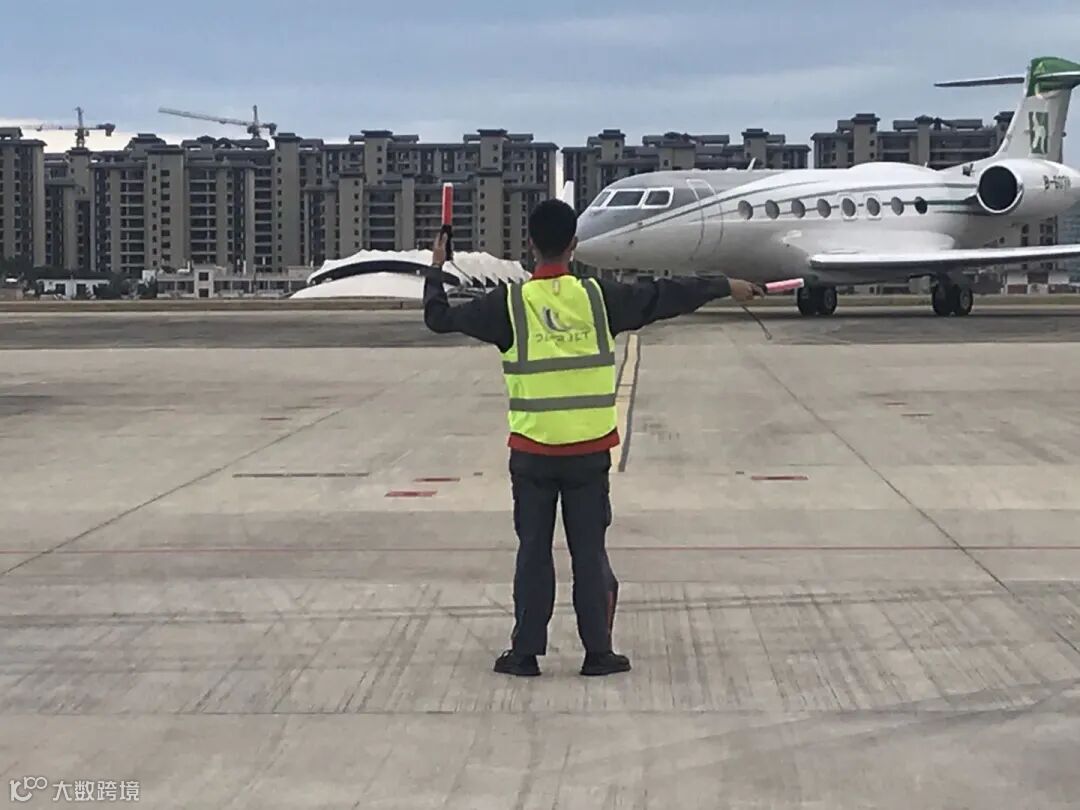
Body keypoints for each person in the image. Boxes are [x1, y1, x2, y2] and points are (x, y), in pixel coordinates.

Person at [423, 199, 763, 677]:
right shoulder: (600, 298)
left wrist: (437, 266)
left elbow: (438, 317)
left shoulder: (509, 305)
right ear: (575, 245)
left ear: (530, 245)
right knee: (589, 553)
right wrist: (723, 285)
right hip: (588, 454)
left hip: (533, 454)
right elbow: (664, 295)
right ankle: (598, 652)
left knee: (533, 553)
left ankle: (525, 654)